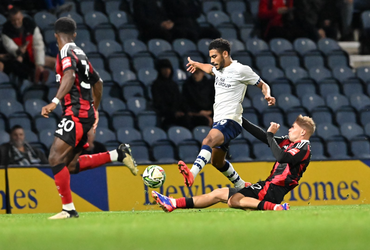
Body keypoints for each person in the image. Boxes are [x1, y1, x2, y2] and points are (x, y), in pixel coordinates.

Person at [40, 17, 138, 219]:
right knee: (70, 165)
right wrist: (95, 110)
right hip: (85, 113)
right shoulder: (80, 52)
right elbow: (98, 82)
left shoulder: (66, 51)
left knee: (54, 158)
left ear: (55, 35)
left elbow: (68, 76)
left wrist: (55, 101)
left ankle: (68, 209)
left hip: (75, 113)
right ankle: (117, 154)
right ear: (75, 34)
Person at [153, 115, 315, 212]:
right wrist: (240, 119)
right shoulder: (289, 142)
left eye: (293, 128)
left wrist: (271, 135)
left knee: (234, 200)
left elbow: (281, 157)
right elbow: (263, 137)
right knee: (219, 194)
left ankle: (275, 208)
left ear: (302, 132)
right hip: (269, 187)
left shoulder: (303, 146)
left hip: (273, 189)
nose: (289, 130)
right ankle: (173, 203)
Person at [178, 38, 276, 190]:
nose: (212, 60)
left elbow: (263, 84)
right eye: (210, 57)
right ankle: (242, 185)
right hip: (219, 121)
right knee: (217, 162)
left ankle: (192, 174)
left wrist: (268, 95)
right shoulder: (218, 68)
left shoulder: (241, 70)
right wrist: (197, 64)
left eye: (214, 56)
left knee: (207, 140)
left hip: (231, 120)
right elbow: (209, 68)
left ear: (225, 54)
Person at [1, 6, 55, 84]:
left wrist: (39, 64)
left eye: (18, 19)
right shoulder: (6, 30)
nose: (16, 22)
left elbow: (38, 45)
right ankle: (33, 76)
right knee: (17, 63)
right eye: (13, 20)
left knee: (55, 62)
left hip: (32, 54)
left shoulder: (31, 25)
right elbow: (10, 47)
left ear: (22, 17)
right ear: (10, 20)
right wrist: (18, 51)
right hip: (16, 57)